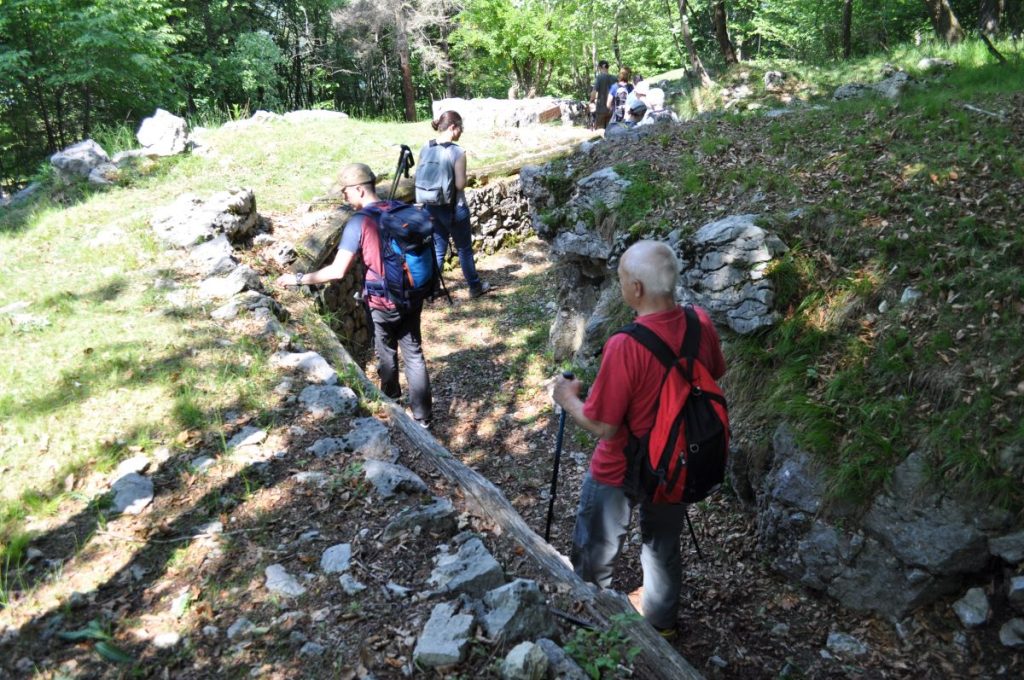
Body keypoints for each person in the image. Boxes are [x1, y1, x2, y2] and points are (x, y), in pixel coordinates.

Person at [552, 240, 727, 635]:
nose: (620, 286)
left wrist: (567, 399)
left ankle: (594, 629)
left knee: (597, 551)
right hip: (676, 460)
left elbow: (604, 425)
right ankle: (661, 626)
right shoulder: (700, 321)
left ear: (636, 289)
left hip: (620, 466)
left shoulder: (625, 345)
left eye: (621, 280)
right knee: (664, 547)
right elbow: (715, 371)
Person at [276, 163, 433, 427]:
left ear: (360, 190)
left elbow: (338, 271)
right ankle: (423, 418)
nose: (343, 198)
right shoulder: (394, 207)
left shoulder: (358, 222)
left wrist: (298, 278)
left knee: (386, 352)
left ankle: (392, 404)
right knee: (414, 353)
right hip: (411, 293)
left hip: (383, 302)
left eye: (345, 192)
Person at [417, 111, 491, 299]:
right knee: (464, 249)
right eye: (460, 128)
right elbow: (459, 185)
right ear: (452, 127)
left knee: (438, 249)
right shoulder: (457, 151)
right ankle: (475, 287)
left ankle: (432, 288)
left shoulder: (426, 147)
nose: (461, 132)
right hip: (454, 208)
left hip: (430, 206)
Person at [590, 60, 617, 130]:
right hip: (612, 109)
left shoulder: (599, 77)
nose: (598, 69)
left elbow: (594, 92)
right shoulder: (615, 78)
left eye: (599, 67)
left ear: (603, 66)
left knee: (599, 131)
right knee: (610, 131)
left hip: (601, 109)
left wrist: (591, 101)